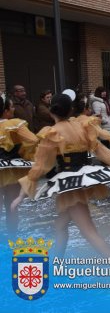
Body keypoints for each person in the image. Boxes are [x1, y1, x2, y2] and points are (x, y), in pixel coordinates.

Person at [12, 93, 110, 257]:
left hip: (69, 185)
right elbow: (102, 152)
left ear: (51, 112)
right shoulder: (82, 126)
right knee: (60, 225)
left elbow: (40, 167)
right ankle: (56, 263)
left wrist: (21, 195)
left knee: (88, 230)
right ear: (70, 110)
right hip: (81, 178)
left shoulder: (52, 133)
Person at [0, 95, 38, 239]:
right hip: (11, 170)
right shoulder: (14, 125)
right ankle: (12, 236)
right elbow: (33, 140)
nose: (14, 109)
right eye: (11, 107)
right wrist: (21, 151)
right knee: (11, 206)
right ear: (5, 111)